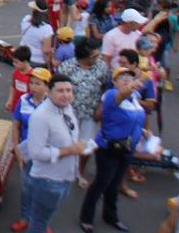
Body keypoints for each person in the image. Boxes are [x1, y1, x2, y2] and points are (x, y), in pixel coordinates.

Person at [79, 66, 147, 232]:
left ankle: (111, 216)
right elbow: (122, 95)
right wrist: (134, 83)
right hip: (109, 148)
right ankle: (86, 217)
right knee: (101, 183)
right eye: (121, 77)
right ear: (114, 81)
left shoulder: (135, 98)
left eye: (129, 77)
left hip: (127, 148)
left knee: (115, 184)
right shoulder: (111, 95)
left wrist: (143, 130)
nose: (126, 79)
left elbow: (136, 117)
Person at [26, 73, 92, 233]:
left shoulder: (66, 108)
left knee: (45, 218)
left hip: (65, 177)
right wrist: (69, 150)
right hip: (47, 180)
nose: (66, 95)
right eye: (60, 91)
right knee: (39, 222)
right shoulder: (40, 117)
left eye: (69, 90)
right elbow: (35, 152)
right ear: (49, 92)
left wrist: (78, 146)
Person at [58, 37, 109, 189]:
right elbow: (57, 88)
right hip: (69, 112)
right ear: (83, 56)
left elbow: (105, 87)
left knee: (87, 144)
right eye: (93, 56)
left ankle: (79, 171)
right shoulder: (67, 67)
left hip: (91, 112)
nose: (97, 58)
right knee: (65, 141)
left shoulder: (101, 67)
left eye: (97, 55)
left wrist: (101, 106)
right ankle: (64, 169)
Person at [9, 68, 52, 233]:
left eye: (38, 83)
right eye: (31, 83)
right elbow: (16, 124)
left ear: (47, 86)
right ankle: (25, 218)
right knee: (27, 187)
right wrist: (16, 148)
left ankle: (41, 221)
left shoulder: (53, 104)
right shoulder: (23, 100)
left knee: (43, 189)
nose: (33, 87)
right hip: (27, 152)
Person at [20, 0, 54, 69]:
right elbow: (46, 50)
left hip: (24, 58)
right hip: (38, 61)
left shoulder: (25, 20)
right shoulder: (47, 28)